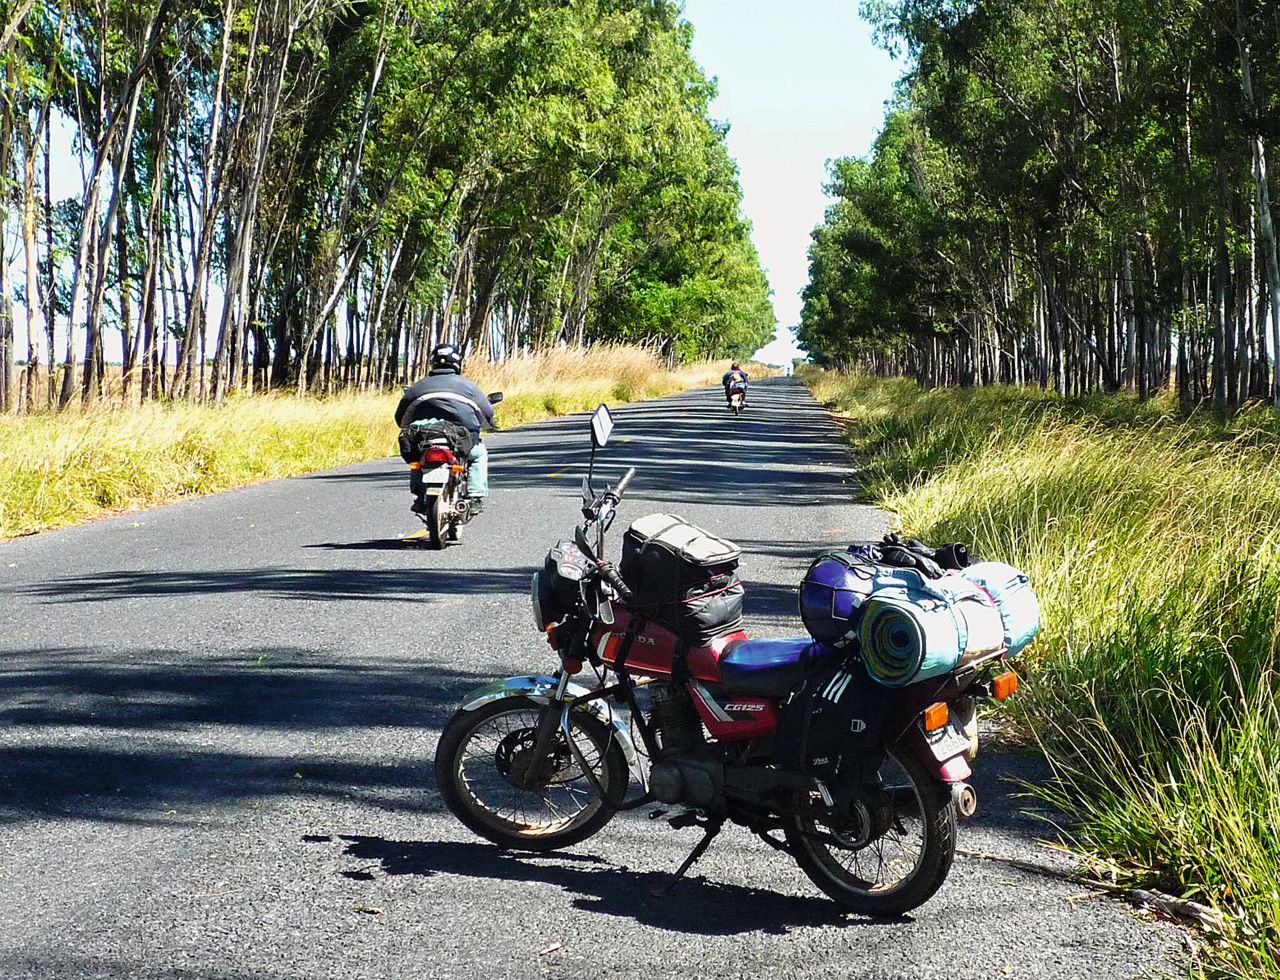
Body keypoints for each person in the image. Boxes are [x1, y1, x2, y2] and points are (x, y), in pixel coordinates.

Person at [395, 343, 496, 513]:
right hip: (459, 439)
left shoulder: (418, 387)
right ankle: (475, 496)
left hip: (425, 439)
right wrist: (488, 424)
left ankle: (419, 495)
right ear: (457, 363)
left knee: (417, 460)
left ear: (433, 363)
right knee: (478, 454)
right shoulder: (469, 387)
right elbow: (487, 412)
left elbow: (401, 417)